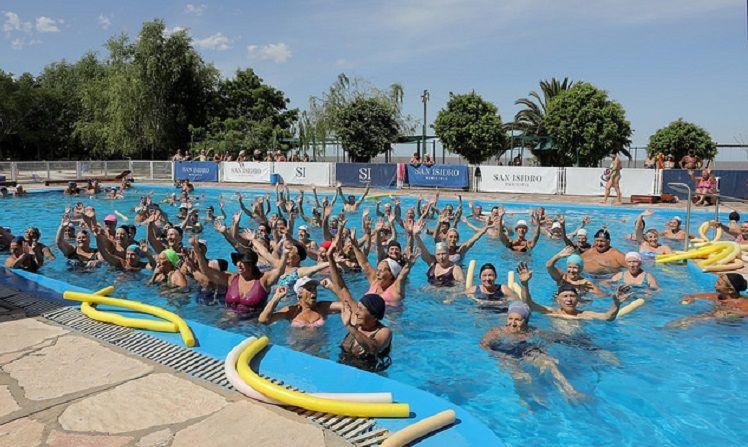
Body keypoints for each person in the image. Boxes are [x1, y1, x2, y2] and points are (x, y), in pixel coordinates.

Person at [480, 300, 584, 401]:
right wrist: (500, 355)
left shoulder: (532, 330)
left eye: (518, 320)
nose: (513, 323)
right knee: (523, 377)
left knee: (549, 363)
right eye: (510, 318)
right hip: (505, 354)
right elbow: (484, 345)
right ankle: (528, 400)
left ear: (526, 320)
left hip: (525, 351)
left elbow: (551, 337)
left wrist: (543, 348)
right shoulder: (497, 331)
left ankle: (571, 391)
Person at [322, 249, 392, 372]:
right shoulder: (357, 318)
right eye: (358, 308)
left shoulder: (384, 332)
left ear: (374, 315)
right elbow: (342, 288)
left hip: (368, 375)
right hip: (342, 368)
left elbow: (373, 349)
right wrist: (330, 258)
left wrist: (350, 326)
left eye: (361, 309)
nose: (357, 312)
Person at [193, 244, 286, 318]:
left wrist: (285, 254)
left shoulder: (263, 280)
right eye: (237, 261)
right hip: (228, 320)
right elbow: (206, 271)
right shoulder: (231, 278)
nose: (238, 264)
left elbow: (280, 271)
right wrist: (197, 251)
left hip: (253, 324)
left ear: (251, 264)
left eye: (242, 262)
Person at [517, 262, 629, 321]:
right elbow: (528, 303)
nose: (569, 299)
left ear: (578, 299)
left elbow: (608, 317)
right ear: (558, 300)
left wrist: (616, 304)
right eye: (565, 296)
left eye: (572, 296)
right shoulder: (552, 312)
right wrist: (524, 284)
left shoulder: (584, 314)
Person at [347, 229, 416, 306]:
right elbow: (365, 264)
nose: (377, 273)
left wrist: (408, 265)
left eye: (382, 271)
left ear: (391, 274)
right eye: (378, 270)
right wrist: (354, 245)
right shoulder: (375, 281)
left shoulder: (396, 289)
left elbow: (402, 276)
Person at [668, 273, 747, 327]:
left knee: (712, 316)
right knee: (688, 320)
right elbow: (691, 296)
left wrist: (732, 312)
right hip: (714, 320)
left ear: (730, 290)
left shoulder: (743, 303)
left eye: (719, 284)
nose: (715, 286)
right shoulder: (717, 296)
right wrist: (689, 298)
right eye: (716, 282)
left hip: (733, 325)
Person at [259, 277, 342, 328]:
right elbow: (263, 320)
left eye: (314, 288)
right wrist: (276, 297)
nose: (314, 291)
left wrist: (332, 287)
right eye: (309, 289)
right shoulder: (291, 311)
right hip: (298, 348)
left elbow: (346, 306)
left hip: (321, 348)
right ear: (299, 294)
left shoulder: (322, 307)